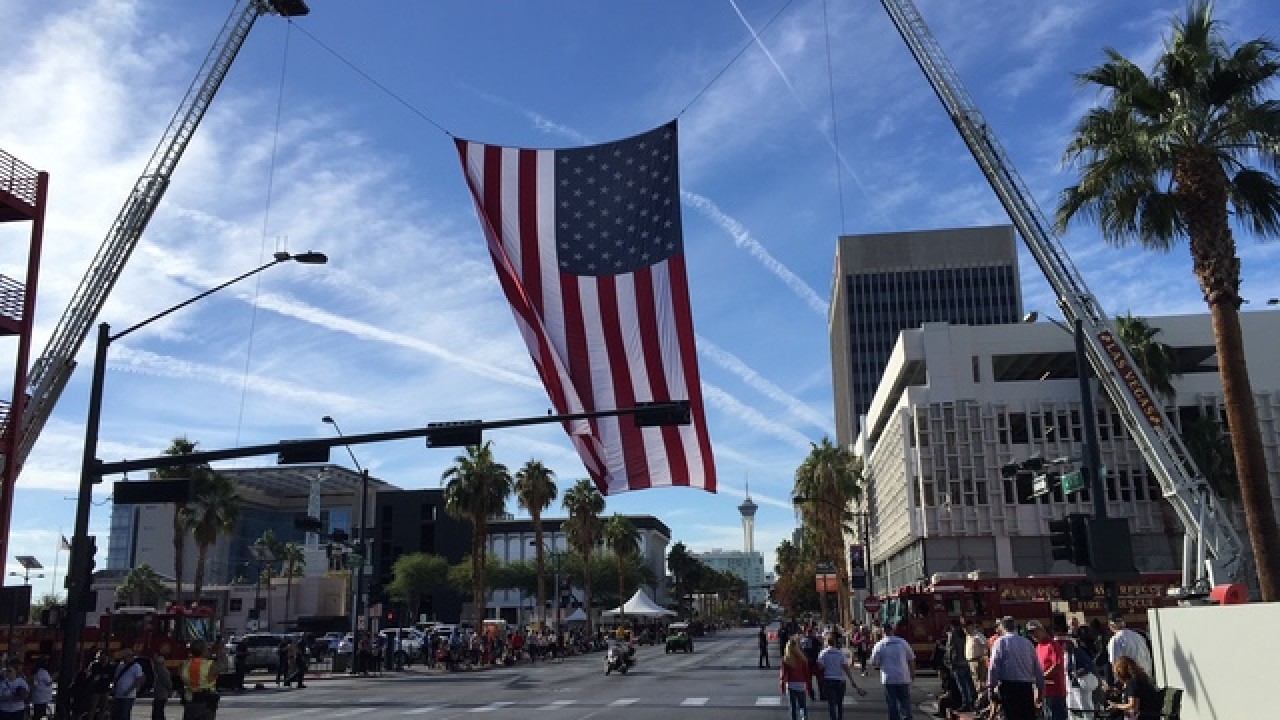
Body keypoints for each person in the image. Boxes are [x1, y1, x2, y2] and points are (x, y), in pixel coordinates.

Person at [987, 616, 1045, 720]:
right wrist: (1040, 689)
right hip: (1026, 687)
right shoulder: (1028, 643)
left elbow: (993, 667)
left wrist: (991, 688)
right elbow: (1037, 668)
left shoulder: (1000, 642)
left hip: (1009, 687)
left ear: (1002, 628)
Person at [869, 623, 915, 720]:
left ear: (883, 631)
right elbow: (911, 659)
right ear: (892, 630)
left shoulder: (879, 645)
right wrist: (912, 674)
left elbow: (874, 662)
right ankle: (906, 717)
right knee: (905, 701)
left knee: (892, 703)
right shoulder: (902, 642)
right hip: (903, 677)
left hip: (889, 678)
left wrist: (880, 663)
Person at [817, 631, 866, 720]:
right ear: (835, 642)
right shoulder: (840, 653)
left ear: (827, 642)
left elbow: (820, 667)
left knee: (831, 704)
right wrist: (852, 681)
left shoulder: (823, 653)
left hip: (829, 679)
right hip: (840, 680)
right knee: (839, 704)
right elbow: (845, 668)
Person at [1028, 620, 1066, 720]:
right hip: (1044, 690)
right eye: (1030, 632)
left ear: (1042, 630)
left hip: (1055, 690)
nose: (1033, 635)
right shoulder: (1037, 647)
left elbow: (1058, 665)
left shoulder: (1052, 645)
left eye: (1035, 631)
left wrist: (1042, 676)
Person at [180, 640, 220, 720]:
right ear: (204, 651)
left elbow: (182, 677)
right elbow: (216, 674)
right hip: (206, 702)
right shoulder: (210, 665)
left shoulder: (184, 664)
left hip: (190, 702)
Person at [1063, 634, 1099, 720]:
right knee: (1071, 705)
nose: (1063, 645)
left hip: (1080, 684)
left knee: (1084, 705)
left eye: (1065, 644)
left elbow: (1090, 665)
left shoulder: (1078, 652)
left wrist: (1080, 671)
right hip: (1070, 685)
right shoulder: (1065, 654)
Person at [944, 617, 977, 711]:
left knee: (962, 685)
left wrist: (949, 662)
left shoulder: (953, 634)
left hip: (957, 663)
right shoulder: (968, 634)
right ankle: (974, 702)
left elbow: (950, 649)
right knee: (970, 684)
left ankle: (966, 703)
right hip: (968, 661)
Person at [780, 637, 815, 720]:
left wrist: (782, 686)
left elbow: (783, 675)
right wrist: (809, 686)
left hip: (791, 685)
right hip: (801, 684)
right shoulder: (802, 659)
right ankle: (804, 718)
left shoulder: (786, 659)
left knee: (793, 707)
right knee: (802, 706)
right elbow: (806, 674)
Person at [110, 648, 145, 720]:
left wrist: (130, 690)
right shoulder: (120, 666)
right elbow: (116, 678)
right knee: (116, 714)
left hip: (128, 695)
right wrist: (113, 687)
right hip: (118, 694)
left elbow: (138, 680)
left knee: (125, 715)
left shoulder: (136, 666)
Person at [965, 619, 988, 689]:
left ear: (971, 627)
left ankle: (982, 696)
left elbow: (986, 645)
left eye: (967, 628)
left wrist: (984, 657)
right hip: (971, 661)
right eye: (964, 629)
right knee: (975, 681)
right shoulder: (968, 636)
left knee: (981, 682)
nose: (965, 630)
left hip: (978, 661)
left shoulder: (978, 635)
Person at [151, 652, 173, 720]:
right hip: (159, 694)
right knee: (158, 711)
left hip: (161, 695)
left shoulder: (163, 672)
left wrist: (170, 691)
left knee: (158, 711)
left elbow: (168, 683)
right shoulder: (159, 671)